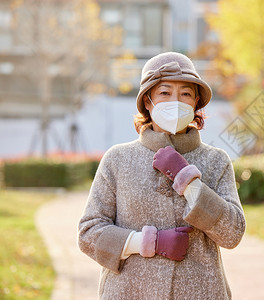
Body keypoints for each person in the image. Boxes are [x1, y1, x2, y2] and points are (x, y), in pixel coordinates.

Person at [78, 52, 246, 299]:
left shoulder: (215, 160)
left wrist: (187, 179)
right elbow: (88, 234)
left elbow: (232, 233)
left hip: (201, 292)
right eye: (165, 93)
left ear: (196, 103)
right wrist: (148, 242)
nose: (175, 101)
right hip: (129, 292)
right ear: (147, 101)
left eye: (185, 94)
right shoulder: (117, 159)